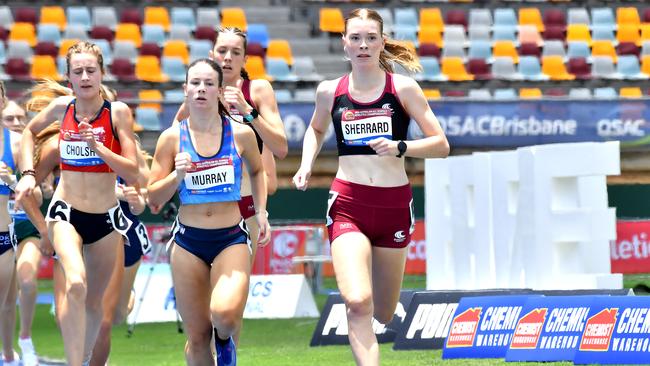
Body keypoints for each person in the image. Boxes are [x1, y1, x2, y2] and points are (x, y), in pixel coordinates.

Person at [292, 8, 449, 366]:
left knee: (383, 310)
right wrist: (305, 165)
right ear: (344, 44)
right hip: (349, 203)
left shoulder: (403, 89)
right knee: (358, 302)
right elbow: (316, 130)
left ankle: (388, 313)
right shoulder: (329, 91)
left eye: (371, 38)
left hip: (394, 205)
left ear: (381, 42)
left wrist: (401, 147)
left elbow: (441, 144)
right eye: (355, 38)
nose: (363, 45)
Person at [15, 41, 139, 366]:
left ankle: (82, 359)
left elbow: (133, 170)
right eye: (78, 71)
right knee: (76, 281)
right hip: (65, 212)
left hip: (107, 219)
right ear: (69, 77)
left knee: (95, 304)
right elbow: (29, 132)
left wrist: (99, 149)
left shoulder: (118, 114)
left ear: (102, 73)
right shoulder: (62, 110)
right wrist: (28, 174)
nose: (85, 77)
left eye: (90, 70)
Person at [148, 58, 270, 366]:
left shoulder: (240, 133)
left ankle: (226, 343)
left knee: (225, 317)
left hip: (231, 237)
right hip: (188, 242)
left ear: (219, 90)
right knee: (199, 337)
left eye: (209, 83)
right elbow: (153, 198)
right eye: (195, 83)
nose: (201, 89)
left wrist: (262, 212)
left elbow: (258, 172)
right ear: (185, 89)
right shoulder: (171, 138)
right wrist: (176, 177)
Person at [176, 27, 287, 268]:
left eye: (235, 52)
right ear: (211, 54)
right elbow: (174, 139)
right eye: (222, 51)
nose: (227, 57)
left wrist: (248, 111)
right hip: (200, 205)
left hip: (244, 205)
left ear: (245, 59)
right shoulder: (198, 92)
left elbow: (280, 147)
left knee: (231, 296)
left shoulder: (257, 90)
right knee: (198, 297)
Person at [0, 100, 45, 366]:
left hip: (25, 225)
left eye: (21, 118)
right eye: (11, 118)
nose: (17, 123)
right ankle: (8, 353)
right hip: (6, 228)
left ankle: (25, 339)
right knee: (5, 301)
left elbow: (37, 196)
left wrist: (12, 180)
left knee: (26, 283)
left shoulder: (21, 146)